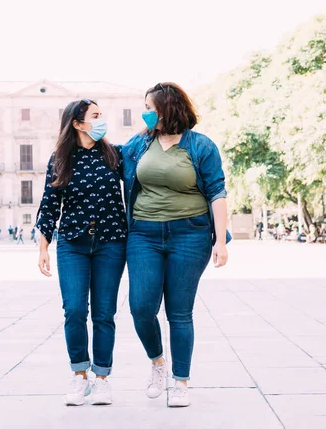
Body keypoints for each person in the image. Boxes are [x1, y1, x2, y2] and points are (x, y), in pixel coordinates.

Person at [122, 82, 231, 408]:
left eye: (150, 107)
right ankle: (158, 364)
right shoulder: (139, 144)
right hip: (143, 235)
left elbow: (217, 192)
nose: (145, 113)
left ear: (168, 108)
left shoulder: (200, 146)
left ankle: (181, 381)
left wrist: (221, 242)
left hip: (190, 235)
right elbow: (110, 155)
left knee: (179, 313)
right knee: (141, 308)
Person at [36, 98, 127, 406]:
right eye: (96, 116)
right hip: (72, 244)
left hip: (111, 243)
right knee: (74, 310)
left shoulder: (115, 156)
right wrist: (43, 248)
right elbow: (49, 204)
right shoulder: (60, 158)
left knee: (104, 313)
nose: (102, 120)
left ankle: (102, 379)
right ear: (77, 123)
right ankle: (79, 377)